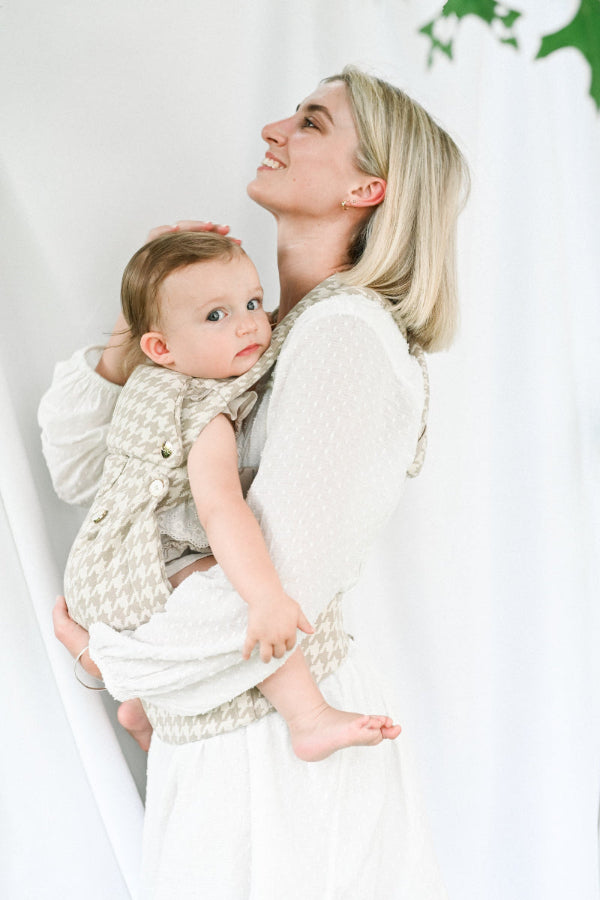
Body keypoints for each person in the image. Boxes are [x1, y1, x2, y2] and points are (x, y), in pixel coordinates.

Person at [41, 65, 468, 898]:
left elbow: (274, 596)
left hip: (278, 756)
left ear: (368, 186)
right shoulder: (253, 337)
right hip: (225, 738)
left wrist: (112, 656)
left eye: (310, 122)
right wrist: (148, 330)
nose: (274, 127)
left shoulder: (344, 336)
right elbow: (83, 471)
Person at [64, 228, 401, 760]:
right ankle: (308, 717)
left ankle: (142, 710)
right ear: (160, 346)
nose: (248, 323)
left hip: (104, 558)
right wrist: (267, 597)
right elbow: (222, 509)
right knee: (241, 590)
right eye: (216, 316)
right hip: (130, 568)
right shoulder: (201, 409)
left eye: (253, 302)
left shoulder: (150, 380)